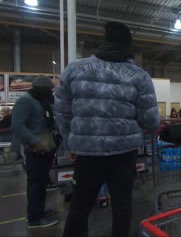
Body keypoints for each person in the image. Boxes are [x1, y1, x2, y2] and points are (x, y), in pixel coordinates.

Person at [55, 22, 159, 236]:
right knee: (122, 207)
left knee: (80, 206)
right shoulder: (139, 76)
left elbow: (62, 112)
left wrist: (70, 143)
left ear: (105, 41)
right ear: (128, 45)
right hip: (124, 153)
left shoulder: (74, 69)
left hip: (86, 152)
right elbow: (150, 120)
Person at [11, 76, 58, 228]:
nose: (51, 92)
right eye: (48, 90)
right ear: (40, 90)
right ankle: (35, 219)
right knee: (36, 183)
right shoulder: (26, 101)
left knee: (42, 181)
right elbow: (17, 125)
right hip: (35, 149)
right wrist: (34, 142)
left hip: (46, 148)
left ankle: (39, 210)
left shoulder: (42, 102)